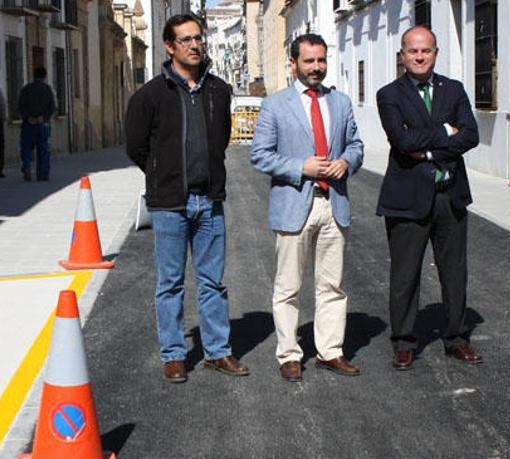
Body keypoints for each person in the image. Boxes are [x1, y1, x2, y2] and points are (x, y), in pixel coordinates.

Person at [125, 14, 249, 383]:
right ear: (169, 46)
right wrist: (162, 174)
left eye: (198, 38)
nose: (195, 45)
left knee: (213, 281)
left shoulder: (218, 90)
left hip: (209, 200)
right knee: (171, 283)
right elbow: (136, 146)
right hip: (170, 205)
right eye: (186, 40)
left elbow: (221, 138)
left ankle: (217, 351)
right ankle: (174, 353)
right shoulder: (150, 95)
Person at [250, 33, 364, 382]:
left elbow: (356, 145)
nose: (316, 67)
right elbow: (260, 155)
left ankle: (330, 350)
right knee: (288, 286)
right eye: (309, 61)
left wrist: (346, 162)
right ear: (294, 63)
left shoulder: (341, 102)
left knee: (333, 285)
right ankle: (289, 354)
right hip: (294, 203)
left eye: (321, 60)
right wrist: (302, 167)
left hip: (334, 204)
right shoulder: (275, 105)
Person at [375, 26, 481, 371]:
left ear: (435, 53)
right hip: (407, 198)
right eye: (412, 51)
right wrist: (445, 133)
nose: (419, 57)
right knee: (405, 275)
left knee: (455, 273)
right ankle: (404, 342)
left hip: (450, 195)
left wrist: (428, 150)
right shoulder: (388, 94)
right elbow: (401, 142)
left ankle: (457, 338)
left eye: (426, 51)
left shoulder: (453, 89)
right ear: (402, 55)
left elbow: (471, 135)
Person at [18, 67, 55, 182]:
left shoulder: (26, 89)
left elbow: (20, 106)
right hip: (42, 124)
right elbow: (52, 107)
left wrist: (28, 117)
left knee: (26, 147)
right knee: (43, 149)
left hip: (28, 124)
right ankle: (43, 174)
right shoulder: (47, 90)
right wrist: (43, 117)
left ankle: (27, 166)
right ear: (45, 76)